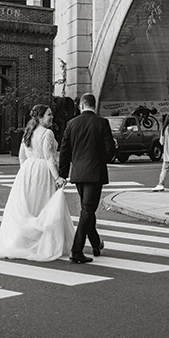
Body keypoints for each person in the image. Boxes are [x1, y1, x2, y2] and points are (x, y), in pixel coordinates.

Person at [0, 105, 74, 262]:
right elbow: (49, 159)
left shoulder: (28, 132)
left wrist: (26, 171)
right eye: (49, 114)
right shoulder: (47, 133)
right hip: (43, 171)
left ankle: (22, 242)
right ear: (40, 117)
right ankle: (44, 243)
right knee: (45, 206)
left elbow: (22, 156)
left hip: (27, 171)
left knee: (27, 207)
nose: (52, 117)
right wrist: (57, 177)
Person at [58, 92, 116, 265]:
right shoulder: (102, 123)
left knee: (86, 209)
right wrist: (101, 158)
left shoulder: (71, 124)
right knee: (87, 210)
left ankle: (96, 244)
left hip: (78, 173)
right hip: (95, 172)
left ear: (81, 105)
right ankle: (76, 251)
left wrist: (63, 174)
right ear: (93, 105)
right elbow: (110, 151)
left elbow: (65, 151)